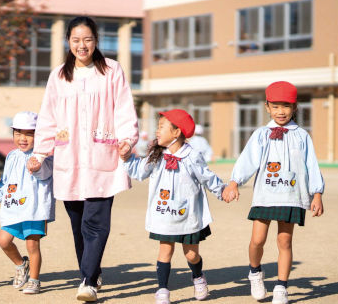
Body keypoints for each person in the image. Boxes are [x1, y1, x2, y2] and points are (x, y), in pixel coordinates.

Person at [29, 16, 139, 302]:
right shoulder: (59, 75)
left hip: (104, 156)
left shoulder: (112, 70)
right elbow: (48, 115)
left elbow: (123, 107)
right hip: (69, 157)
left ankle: (88, 280)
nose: (82, 45)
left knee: (96, 221)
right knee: (78, 224)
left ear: (96, 41)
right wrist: (40, 152)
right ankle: (91, 270)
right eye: (76, 40)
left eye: (87, 39)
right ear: (68, 41)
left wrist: (127, 139)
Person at [222, 81, 324, 304]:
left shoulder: (302, 136)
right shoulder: (261, 134)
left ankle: (281, 287)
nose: (281, 111)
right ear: (267, 107)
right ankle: (255, 272)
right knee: (257, 240)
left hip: (292, 196)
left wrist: (317, 193)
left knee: (285, 242)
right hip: (265, 195)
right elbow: (247, 159)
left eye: (286, 106)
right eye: (276, 106)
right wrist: (234, 182)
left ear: (294, 107)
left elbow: (311, 165)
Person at [120, 109, 226, 304]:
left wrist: (223, 190)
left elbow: (207, 177)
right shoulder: (156, 154)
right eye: (158, 127)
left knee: (192, 254)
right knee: (165, 252)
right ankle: (162, 289)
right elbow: (139, 172)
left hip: (189, 215)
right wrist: (127, 158)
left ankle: (198, 276)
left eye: (162, 127)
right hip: (165, 215)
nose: (157, 131)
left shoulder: (192, 156)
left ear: (176, 132)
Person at [0, 111, 54, 295]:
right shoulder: (11, 156)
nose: (22, 138)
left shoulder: (43, 156)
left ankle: (34, 280)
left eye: (28, 134)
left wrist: (37, 167)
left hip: (34, 210)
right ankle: (21, 264)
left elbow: (46, 175)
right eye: (18, 133)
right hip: (13, 208)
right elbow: (7, 181)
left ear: (38, 135)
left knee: (32, 245)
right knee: (3, 240)